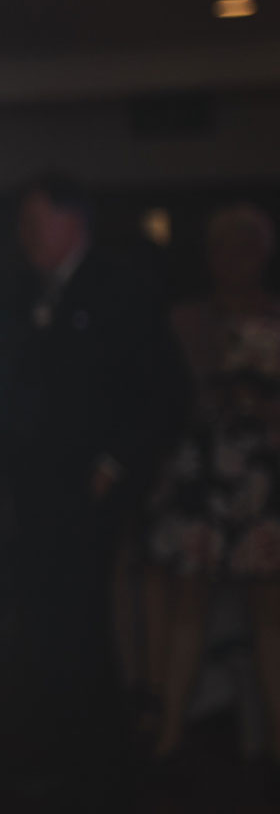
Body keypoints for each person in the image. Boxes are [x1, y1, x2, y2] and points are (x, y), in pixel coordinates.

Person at [0, 171, 190, 794]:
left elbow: (162, 392)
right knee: (47, 620)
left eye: (36, 221)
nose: (26, 235)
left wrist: (113, 465)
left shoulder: (118, 287)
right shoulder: (35, 291)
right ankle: (55, 752)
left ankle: (91, 762)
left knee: (82, 621)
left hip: (89, 490)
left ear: (71, 220)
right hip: (38, 490)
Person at [144, 203, 280, 758]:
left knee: (269, 608)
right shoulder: (184, 320)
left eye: (247, 246)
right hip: (199, 471)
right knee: (189, 599)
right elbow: (162, 398)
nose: (235, 258)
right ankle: (169, 735)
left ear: (265, 255)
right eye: (224, 246)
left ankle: (274, 741)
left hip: (263, 476)